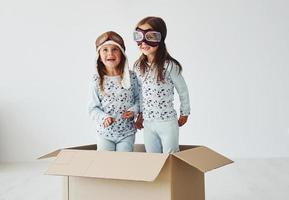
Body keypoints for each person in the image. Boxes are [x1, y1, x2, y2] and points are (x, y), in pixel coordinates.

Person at [133, 16, 190, 153]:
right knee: (153, 160)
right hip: (149, 124)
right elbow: (140, 93)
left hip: (167, 123)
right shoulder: (138, 67)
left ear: (160, 38)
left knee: (171, 158)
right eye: (139, 36)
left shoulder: (170, 66)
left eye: (151, 36)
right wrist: (140, 115)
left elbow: (182, 90)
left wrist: (185, 112)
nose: (144, 42)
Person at [88, 31, 139, 152]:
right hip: (105, 134)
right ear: (99, 56)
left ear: (122, 54)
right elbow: (92, 108)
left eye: (115, 49)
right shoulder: (96, 80)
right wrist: (103, 117)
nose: (110, 53)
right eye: (105, 49)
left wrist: (134, 110)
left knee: (123, 163)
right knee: (106, 164)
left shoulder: (131, 77)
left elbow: (139, 99)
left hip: (126, 133)